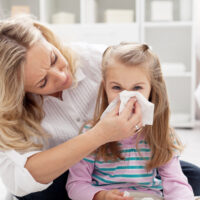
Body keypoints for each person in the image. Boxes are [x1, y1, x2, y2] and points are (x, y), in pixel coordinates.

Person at [0, 16, 199, 200]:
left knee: (191, 178)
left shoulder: (99, 60)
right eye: (43, 82)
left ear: (47, 39)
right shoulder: (10, 110)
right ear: (20, 91)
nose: (62, 77)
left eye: (53, 58)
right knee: (37, 195)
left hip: (129, 163)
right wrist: (100, 135)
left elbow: (146, 74)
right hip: (64, 173)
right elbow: (21, 181)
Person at [66, 43, 194, 200]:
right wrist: (101, 195)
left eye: (137, 87)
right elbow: (76, 184)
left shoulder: (160, 134)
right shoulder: (91, 133)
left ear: (152, 89)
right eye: (117, 88)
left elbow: (176, 183)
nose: (126, 97)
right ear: (104, 88)